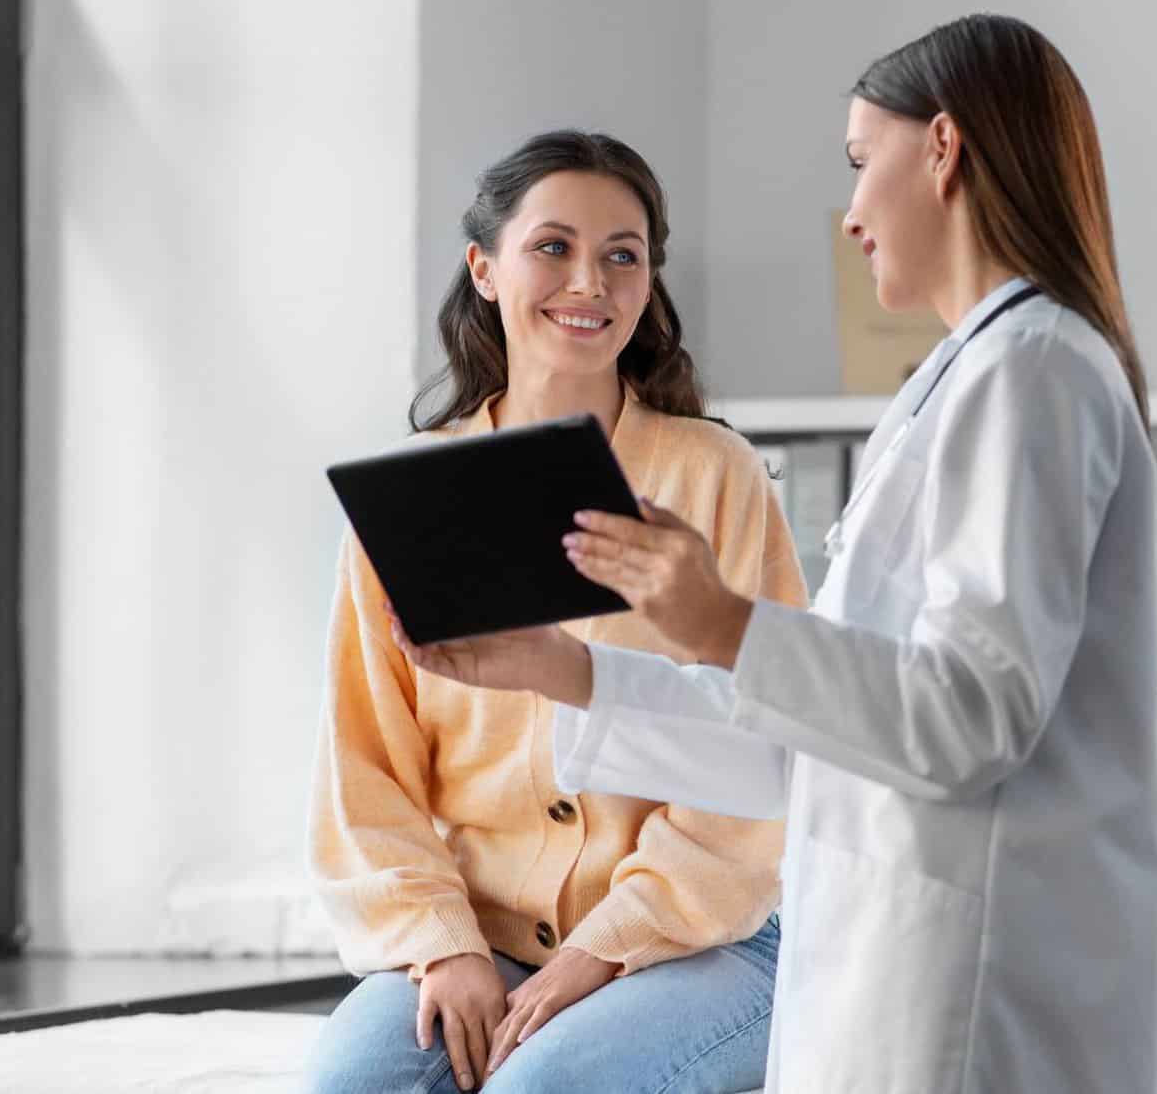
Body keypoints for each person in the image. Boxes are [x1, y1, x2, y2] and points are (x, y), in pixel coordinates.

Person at [394, 15, 1157, 1092]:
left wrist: (723, 623)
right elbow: (811, 745)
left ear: (942, 149)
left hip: (975, 989)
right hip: (889, 953)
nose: (851, 212)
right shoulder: (964, 380)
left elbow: (968, 720)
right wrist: (564, 671)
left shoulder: (1032, 375)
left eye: (862, 163)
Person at [305, 130, 806, 1094]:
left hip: (707, 937)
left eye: (624, 255)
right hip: (477, 933)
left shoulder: (715, 476)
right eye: (554, 247)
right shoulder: (409, 497)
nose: (591, 281)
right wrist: (443, 944)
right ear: (484, 270)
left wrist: (603, 949)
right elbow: (363, 770)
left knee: (540, 1088)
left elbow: (760, 756)